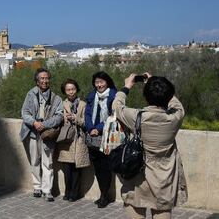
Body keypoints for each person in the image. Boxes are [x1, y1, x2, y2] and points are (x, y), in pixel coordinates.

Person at [112, 73, 188, 219]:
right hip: (164, 175)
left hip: (139, 173)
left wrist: (127, 86)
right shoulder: (176, 116)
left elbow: (116, 106)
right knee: (162, 209)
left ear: (146, 96)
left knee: (135, 204)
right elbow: (176, 104)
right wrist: (159, 85)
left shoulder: (137, 117)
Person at [20, 68, 63, 202]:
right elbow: (24, 113)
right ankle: (37, 187)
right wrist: (34, 123)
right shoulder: (30, 94)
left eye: (46, 78)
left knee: (48, 162)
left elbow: (60, 116)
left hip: (48, 134)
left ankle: (47, 190)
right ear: (37, 81)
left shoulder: (56, 98)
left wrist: (45, 124)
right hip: (32, 133)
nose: (44, 81)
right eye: (42, 79)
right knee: (35, 161)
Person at [84, 71, 117, 208]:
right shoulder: (92, 96)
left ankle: (105, 196)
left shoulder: (114, 96)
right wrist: (90, 127)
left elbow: (113, 115)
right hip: (93, 137)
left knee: (106, 167)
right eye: (97, 82)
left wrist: (98, 128)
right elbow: (87, 113)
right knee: (97, 168)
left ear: (107, 82)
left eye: (101, 82)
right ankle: (102, 194)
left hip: (107, 136)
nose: (99, 85)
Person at [56, 79, 91, 202]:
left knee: (77, 169)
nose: (71, 92)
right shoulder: (61, 104)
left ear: (76, 89)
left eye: (73, 89)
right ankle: (67, 191)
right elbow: (56, 118)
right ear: (65, 91)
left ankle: (75, 193)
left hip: (79, 139)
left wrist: (76, 118)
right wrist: (63, 117)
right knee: (67, 169)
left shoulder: (83, 104)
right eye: (68, 90)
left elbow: (86, 122)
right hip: (66, 140)